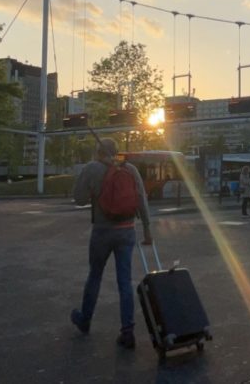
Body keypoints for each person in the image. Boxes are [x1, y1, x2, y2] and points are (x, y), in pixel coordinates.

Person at [71, 137, 152, 350]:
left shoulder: (91, 168)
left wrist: (94, 192)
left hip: (102, 231)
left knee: (95, 275)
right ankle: (127, 331)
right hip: (126, 231)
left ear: (98, 152)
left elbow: (78, 198)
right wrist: (147, 229)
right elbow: (142, 200)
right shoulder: (130, 169)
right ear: (116, 151)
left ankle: (85, 319)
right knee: (125, 282)